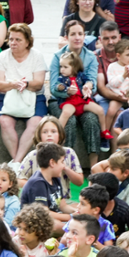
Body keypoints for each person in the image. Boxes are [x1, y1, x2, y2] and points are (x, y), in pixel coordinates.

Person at [0, 23, 48, 167]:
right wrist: (12, 84)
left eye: (18, 40)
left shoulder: (37, 56)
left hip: (34, 96)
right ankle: (18, 162)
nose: (13, 43)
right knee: (5, 122)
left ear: (27, 42)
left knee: (35, 123)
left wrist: (26, 84)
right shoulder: (2, 56)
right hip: (8, 96)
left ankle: (16, 163)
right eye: (11, 39)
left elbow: (39, 83)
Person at [49, 20, 101, 167]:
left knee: (91, 119)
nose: (77, 37)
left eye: (80, 34)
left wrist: (88, 87)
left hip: (82, 100)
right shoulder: (57, 56)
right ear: (66, 37)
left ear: (84, 36)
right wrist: (66, 92)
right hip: (61, 100)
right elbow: (53, 87)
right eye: (73, 34)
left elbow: (92, 80)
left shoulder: (90, 56)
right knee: (69, 121)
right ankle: (64, 162)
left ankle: (94, 167)